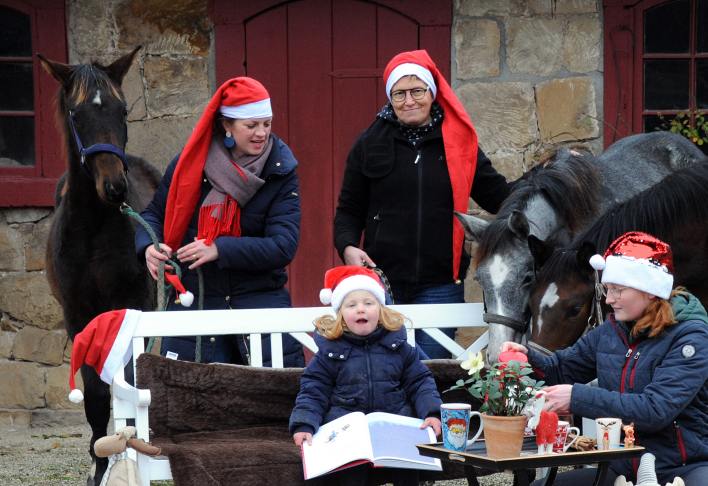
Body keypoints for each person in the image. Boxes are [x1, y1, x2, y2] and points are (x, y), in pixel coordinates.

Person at [502, 232, 708, 486]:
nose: (609, 299)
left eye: (617, 290)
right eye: (607, 289)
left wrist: (574, 397)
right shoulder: (612, 330)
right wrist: (527, 358)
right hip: (621, 467)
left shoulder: (691, 337)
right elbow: (561, 369)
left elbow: (655, 410)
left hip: (686, 467)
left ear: (649, 290)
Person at [334, 50, 518, 359]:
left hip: (440, 283)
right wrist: (348, 246)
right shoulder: (369, 142)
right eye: (400, 93)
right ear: (389, 97)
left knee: (431, 371)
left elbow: (500, 195)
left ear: (432, 93)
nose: (409, 101)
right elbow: (349, 210)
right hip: (382, 283)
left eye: (417, 91)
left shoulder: (459, 143)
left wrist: (547, 172)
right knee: (387, 368)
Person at [135, 77, 304, 367]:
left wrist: (220, 249)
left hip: (259, 308)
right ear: (227, 125)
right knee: (191, 407)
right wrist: (147, 247)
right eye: (251, 126)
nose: (261, 133)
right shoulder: (188, 164)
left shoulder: (281, 172)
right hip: (195, 306)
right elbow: (154, 214)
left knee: (266, 409)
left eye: (267, 123)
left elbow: (283, 246)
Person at [290, 266, 443, 485]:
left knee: (408, 466)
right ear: (341, 316)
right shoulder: (329, 354)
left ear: (381, 310)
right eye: (351, 305)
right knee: (352, 472)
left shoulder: (399, 348)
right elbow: (313, 391)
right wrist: (304, 424)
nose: (360, 309)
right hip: (348, 431)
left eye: (368, 303)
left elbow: (420, 382)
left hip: (393, 424)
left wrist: (431, 412)